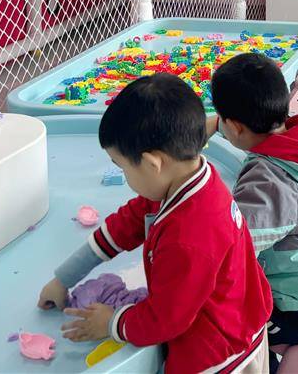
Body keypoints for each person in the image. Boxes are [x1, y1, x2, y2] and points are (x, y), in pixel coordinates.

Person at [39, 74, 272, 374]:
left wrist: (111, 322)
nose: (125, 177)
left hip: (221, 358)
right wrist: (63, 279)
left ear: (152, 164)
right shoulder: (189, 179)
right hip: (238, 320)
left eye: (122, 167)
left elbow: (165, 320)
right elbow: (127, 223)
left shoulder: (189, 237)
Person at [207, 54, 298, 372]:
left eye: (221, 119)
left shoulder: (270, 184)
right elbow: (247, 132)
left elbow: (231, 248)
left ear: (236, 126)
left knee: (216, 321)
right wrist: (218, 125)